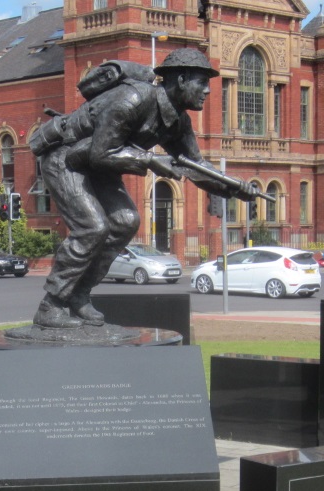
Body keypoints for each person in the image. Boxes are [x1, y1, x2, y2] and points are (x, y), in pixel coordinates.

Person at [29, 48, 257, 328]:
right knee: (93, 227)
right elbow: (103, 152)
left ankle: (79, 295)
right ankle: (51, 305)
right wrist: (150, 159)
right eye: (202, 82)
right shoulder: (134, 99)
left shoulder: (178, 122)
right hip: (66, 159)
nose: (207, 91)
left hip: (99, 164)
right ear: (182, 79)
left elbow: (194, 165)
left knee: (125, 222)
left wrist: (233, 188)